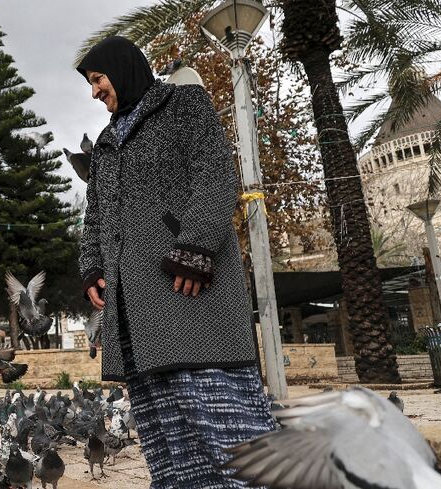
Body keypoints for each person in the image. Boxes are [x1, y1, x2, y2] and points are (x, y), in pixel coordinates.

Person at [76, 36, 275, 488]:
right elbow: (95, 215)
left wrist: (196, 249)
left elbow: (217, 175)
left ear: (121, 70)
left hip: (191, 294)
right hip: (137, 315)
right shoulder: (106, 142)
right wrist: (91, 267)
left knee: (225, 427)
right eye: (91, 84)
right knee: (167, 440)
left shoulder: (183, 103)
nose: (95, 92)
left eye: (98, 79)